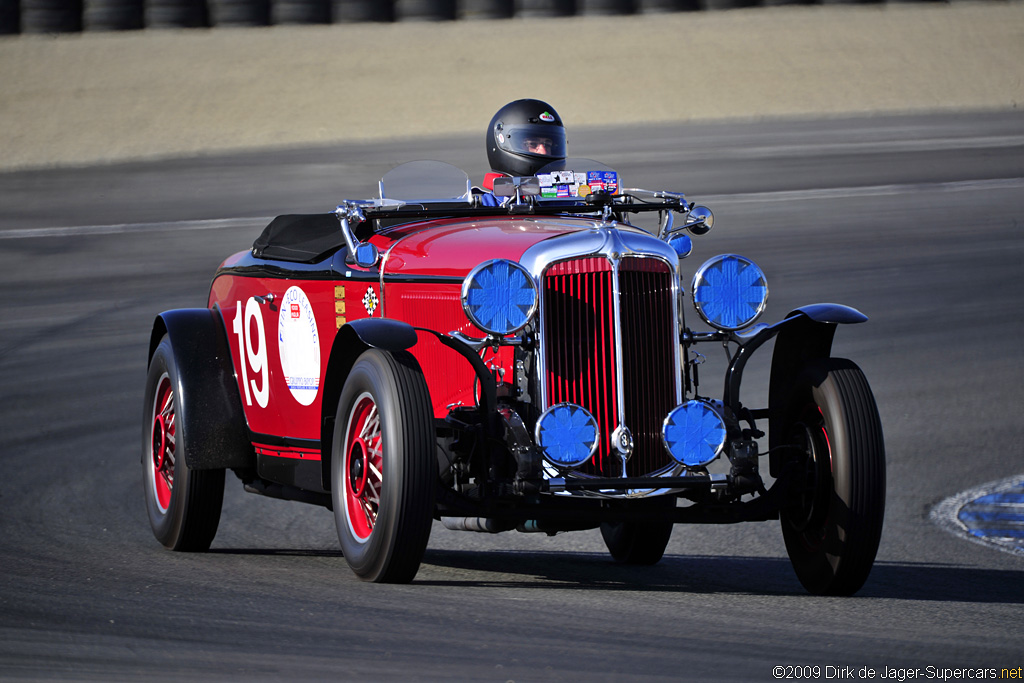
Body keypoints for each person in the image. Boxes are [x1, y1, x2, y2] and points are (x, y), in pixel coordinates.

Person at [478, 99, 568, 206]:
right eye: (532, 144)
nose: (543, 151)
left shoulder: (564, 206)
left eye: (547, 145)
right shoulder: (480, 207)